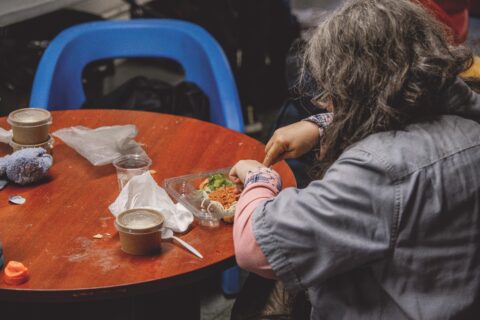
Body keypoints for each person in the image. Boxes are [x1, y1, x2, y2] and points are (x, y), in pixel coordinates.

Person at [229, 0, 480, 319]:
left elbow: (256, 248)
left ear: (354, 88)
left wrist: (259, 179)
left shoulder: (379, 170)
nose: (324, 100)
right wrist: (321, 125)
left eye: (331, 91)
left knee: (253, 300)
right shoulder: (469, 122)